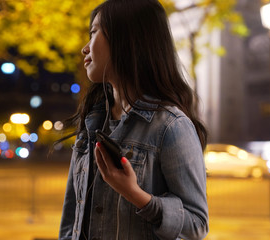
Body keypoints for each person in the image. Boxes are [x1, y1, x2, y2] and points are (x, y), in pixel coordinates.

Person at [58, 0, 208, 239]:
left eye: (94, 32)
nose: (84, 49)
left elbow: (197, 225)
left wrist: (135, 194)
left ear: (127, 40)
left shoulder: (171, 126)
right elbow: (71, 222)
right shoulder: (91, 123)